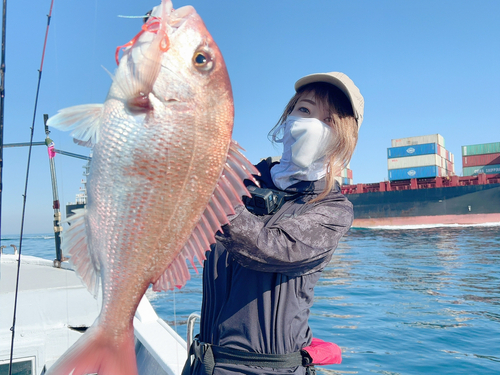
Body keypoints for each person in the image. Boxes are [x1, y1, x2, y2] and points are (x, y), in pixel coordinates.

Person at [184, 72, 364, 375]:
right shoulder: (237, 182)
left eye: (329, 121)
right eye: (304, 110)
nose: (311, 125)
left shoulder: (334, 210)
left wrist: (212, 194)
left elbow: (271, 248)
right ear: (287, 117)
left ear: (343, 137)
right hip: (201, 364)